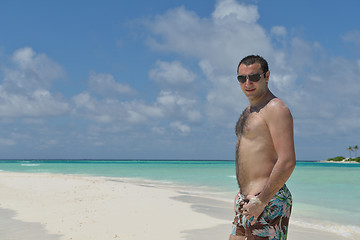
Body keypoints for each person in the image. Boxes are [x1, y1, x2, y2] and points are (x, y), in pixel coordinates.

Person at [229, 55, 296, 240]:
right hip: (247, 201)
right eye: (242, 78)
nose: (248, 82)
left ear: (266, 76)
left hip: (268, 200)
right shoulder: (248, 112)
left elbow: (288, 161)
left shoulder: (276, 109)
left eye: (254, 77)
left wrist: (262, 200)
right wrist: (242, 194)